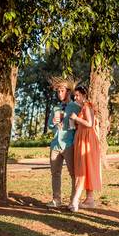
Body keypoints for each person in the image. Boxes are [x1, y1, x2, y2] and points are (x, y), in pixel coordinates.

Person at [47, 78, 81, 208]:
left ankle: (73, 200)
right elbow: (50, 125)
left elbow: (80, 126)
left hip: (69, 145)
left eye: (62, 91)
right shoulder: (55, 108)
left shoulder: (76, 107)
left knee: (73, 174)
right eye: (58, 91)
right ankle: (56, 200)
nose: (59, 93)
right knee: (55, 173)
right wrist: (53, 122)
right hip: (55, 144)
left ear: (68, 92)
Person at [68, 86, 102, 212]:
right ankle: (89, 199)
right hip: (82, 139)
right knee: (86, 168)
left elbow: (90, 123)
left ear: (83, 95)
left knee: (82, 168)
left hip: (87, 140)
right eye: (75, 96)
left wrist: (76, 118)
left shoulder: (87, 106)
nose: (75, 98)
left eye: (77, 95)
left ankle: (75, 200)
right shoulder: (83, 107)